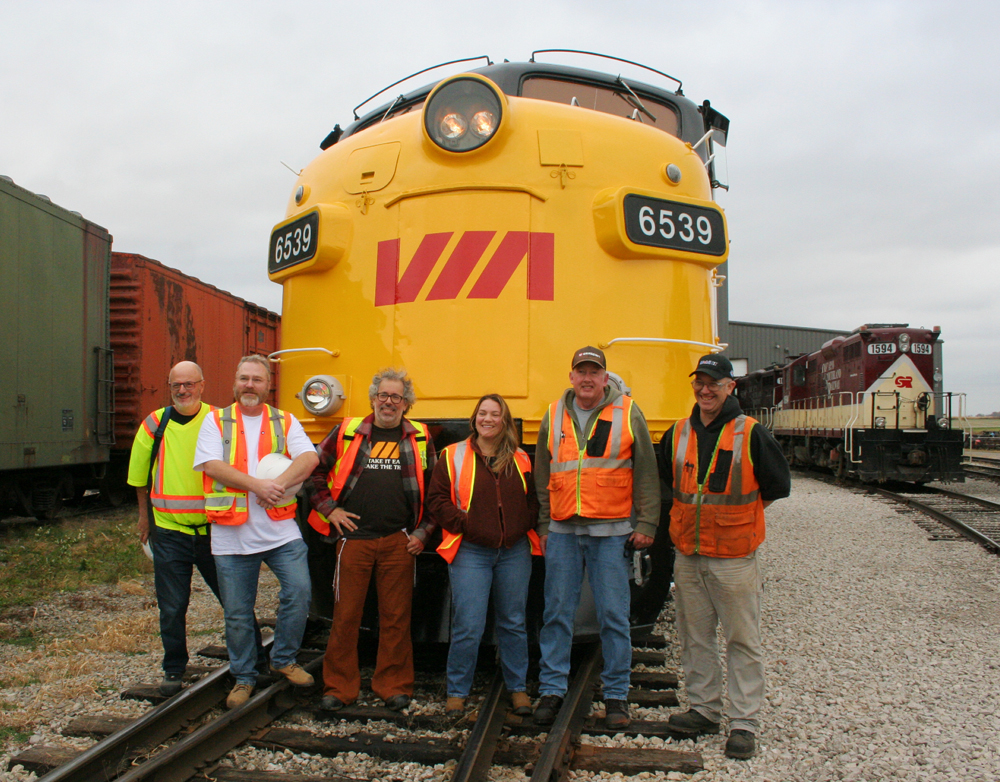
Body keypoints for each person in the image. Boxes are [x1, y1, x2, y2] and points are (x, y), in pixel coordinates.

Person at [659, 353, 790, 760]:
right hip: (689, 555)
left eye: (714, 382)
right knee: (695, 638)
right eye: (699, 381)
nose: (704, 388)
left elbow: (777, 486)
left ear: (730, 387)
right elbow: (667, 482)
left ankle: (744, 724)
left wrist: (738, 521)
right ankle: (703, 709)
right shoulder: (678, 433)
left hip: (733, 558)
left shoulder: (751, 432)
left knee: (741, 640)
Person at [533, 346, 660, 730]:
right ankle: (552, 689)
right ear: (571, 376)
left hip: (611, 533)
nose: (587, 378)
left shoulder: (627, 411)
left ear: (605, 378)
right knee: (556, 613)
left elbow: (646, 472)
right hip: (563, 532)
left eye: (594, 372)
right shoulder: (553, 414)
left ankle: (617, 695)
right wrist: (543, 525)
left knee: (614, 616)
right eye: (580, 371)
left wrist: (648, 524)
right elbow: (543, 474)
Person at [307, 368, 437, 712]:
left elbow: (438, 491)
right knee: (345, 616)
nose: (389, 402)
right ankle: (339, 687)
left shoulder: (420, 438)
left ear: (406, 403)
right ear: (373, 399)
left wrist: (422, 534)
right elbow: (313, 471)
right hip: (354, 541)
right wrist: (330, 510)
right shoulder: (347, 432)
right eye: (383, 395)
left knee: (396, 618)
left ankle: (393, 685)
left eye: (396, 397)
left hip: (399, 541)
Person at [194, 355, 319, 709]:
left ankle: (283, 659)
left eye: (257, 380)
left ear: (268, 385)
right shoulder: (214, 422)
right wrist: (258, 486)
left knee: (299, 592)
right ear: (235, 382)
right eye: (244, 378)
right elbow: (212, 466)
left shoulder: (285, 420)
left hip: (280, 530)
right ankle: (244, 677)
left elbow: (308, 459)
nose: (250, 385)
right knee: (236, 612)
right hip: (231, 534)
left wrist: (275, 485)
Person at [427, 394, 541, 718]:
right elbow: (437, 500)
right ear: (474, 418)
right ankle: (457, 692)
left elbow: (532, 500)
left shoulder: (520, 458)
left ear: (504, 420)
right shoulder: (453, 455)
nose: (488, 419)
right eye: (483, 413)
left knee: (513, 623)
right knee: (468, 625)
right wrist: (466, 525)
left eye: (495, 414)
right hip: (471, 551)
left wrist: (522, 525)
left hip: (514, 552)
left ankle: (517, 688)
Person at [127, 361, 220, 696]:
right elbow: (139, 478)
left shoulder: (218, 421)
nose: (183, 391)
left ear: (202, 385)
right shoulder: (155, 424)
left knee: (235, 601)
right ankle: (174, 670)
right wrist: (143, 519)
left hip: (214, 531)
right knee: (172, 606)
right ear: (170, 387)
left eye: (189, 384)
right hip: (169, 532)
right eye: (176, 385)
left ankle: (252, 660)